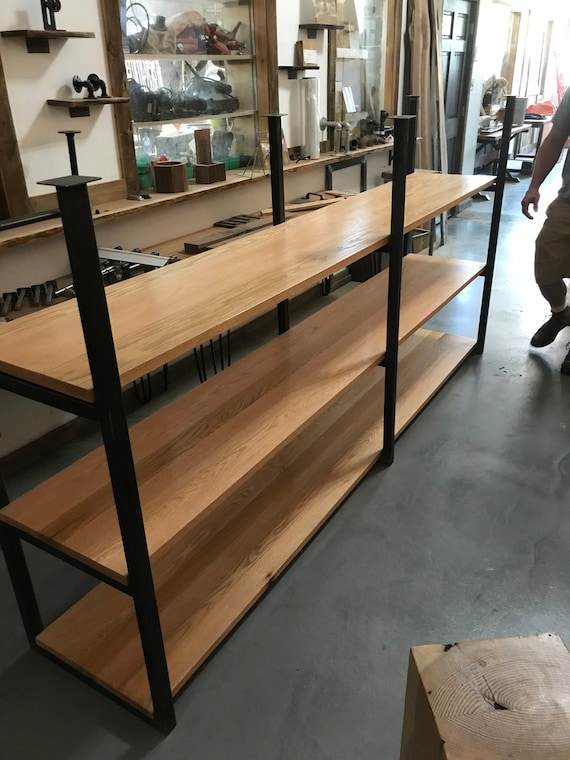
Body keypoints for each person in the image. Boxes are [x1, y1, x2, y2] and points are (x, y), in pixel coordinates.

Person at [521, 87, 570, 371]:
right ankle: (561, 313)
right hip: (568, 201)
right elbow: (554, 141)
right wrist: (534, 186)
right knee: (545, 265)